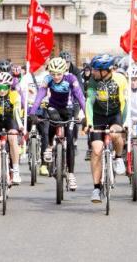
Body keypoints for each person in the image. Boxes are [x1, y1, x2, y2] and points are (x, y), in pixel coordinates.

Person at [30, 56, 85, 191]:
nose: (55, 77)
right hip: (54, 107)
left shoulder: (71, 78)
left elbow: (80, 96)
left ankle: (71, 174)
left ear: (64, 71)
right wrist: (32, 112)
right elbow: (40, 95)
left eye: (58, 74)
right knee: (53, 118)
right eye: (53, 74)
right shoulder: (47, 79)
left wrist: (86, 115)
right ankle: (49, 146)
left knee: (70, 139)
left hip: (69, 109)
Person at [84, 53, 128, 203]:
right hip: (98, 116)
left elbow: (124, 102)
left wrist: (125, 122)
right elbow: (89, 102)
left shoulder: (120, 79)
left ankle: (118, 157)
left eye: (96, 70)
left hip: (115, 114)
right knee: (96, 150)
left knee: (116, 134)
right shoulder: (93, 81)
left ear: (106, 70)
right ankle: (96, 188)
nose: (93, 72)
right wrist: (89, 122)